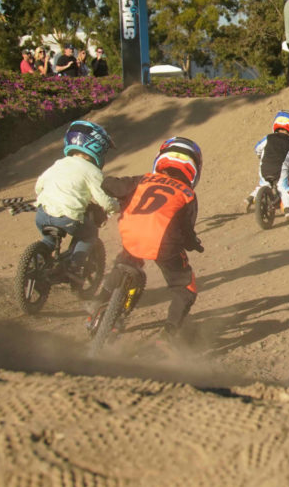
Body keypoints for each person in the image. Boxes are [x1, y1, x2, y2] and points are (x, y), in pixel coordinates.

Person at [96, 137, 204, 341]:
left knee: (125, 260)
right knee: (185, 289)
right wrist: (193, 244)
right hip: (165, 244)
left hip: (131, 234)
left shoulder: (143, 179)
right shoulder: (188, 194)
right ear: (194, 168)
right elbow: (187, 230)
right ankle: (168, 335)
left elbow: (111, 185)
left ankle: (99, 301)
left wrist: (113, 188)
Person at [34, 120, 120, 277]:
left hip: (42, 213)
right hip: (68, 217)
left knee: (48, 240)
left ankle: (37, 259)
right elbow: (104, 199)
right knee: (89, 234)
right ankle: (74, 266)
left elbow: (39, 186)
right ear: (97, 147)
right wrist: (116, 207)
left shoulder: (59, 163)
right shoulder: (92, 171)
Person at [245, 111, 289, 221]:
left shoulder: (268, 138)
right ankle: (288, 210)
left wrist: (260, 155)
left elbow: (257, 148)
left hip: (264, 167)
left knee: (263, 184)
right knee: (284, 189)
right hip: (280, 170)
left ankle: (250, 198)